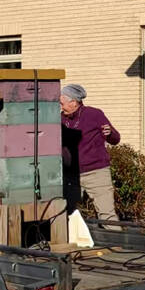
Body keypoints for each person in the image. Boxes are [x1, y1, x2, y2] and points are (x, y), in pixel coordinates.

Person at [60, 83, 121, 224]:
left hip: (97, 173)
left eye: (62, 103)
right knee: (66, 214)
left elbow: (115, 139)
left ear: (74, 102)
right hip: (71, 176)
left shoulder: (95, 114)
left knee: (107, 214)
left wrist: (110, 133)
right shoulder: (60, 119)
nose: (61, 107)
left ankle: (118, 245)